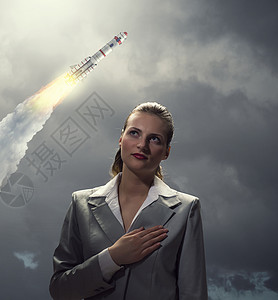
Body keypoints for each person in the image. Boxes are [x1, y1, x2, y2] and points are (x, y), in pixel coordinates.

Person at [49, 102, 207, 299]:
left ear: (166, 152)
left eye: (155, 139)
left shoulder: (186, 210)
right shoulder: (81, 204)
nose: (142, 145)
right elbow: (60, 290)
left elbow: (193, 294)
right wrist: (111, 258)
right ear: (121, 139)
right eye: (134, 133)